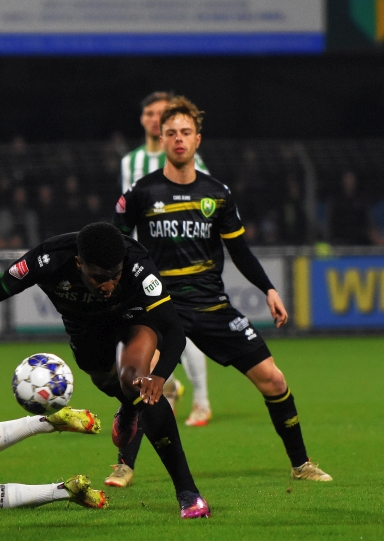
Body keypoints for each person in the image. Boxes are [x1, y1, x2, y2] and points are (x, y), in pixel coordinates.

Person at [112, 96, 332, 488]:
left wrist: (268, 288)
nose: (178, 140)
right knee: (144, 382)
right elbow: (115, 244)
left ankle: (301, 464)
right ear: (161, 140)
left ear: (198, 139)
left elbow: (240, 250)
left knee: (274, 381)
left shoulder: (217, 193)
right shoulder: (142, 193)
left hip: (212, 305)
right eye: (171, 134)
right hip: (161, 305)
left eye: (185, 133)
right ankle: (123, 465)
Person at [0, 222, 210, 519]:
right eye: (99, 278)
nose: (109, 286)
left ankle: (188, 494)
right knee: (107, 380)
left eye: (115, 276)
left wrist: (159, 375)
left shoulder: (138, 265)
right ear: (79, 263)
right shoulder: (47, 260)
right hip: (85, 330)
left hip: (133, 317)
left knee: (139, 384)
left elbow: (174, 331)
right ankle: (128, 410)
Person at [121, 91, 213, 434]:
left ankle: (201, 400)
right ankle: (170, 388)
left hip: (186, 261)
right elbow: (126, 212)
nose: (154, 117)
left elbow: (205, 202)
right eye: (149, 112)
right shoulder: (130, 163)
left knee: (185, 332)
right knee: (152, 332)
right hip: (147, 262)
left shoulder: (191, 157)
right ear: (146, 120)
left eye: (160, 112)